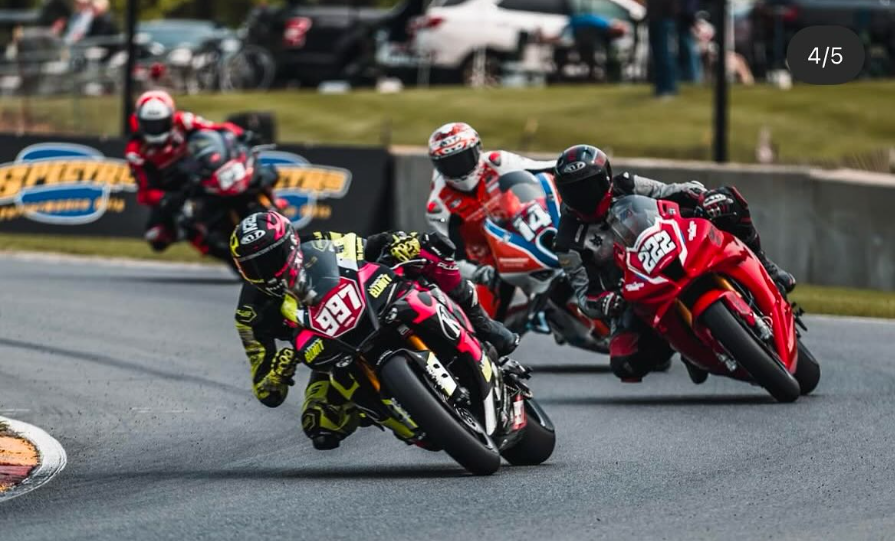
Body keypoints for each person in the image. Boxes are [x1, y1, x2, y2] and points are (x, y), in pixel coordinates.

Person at [230, 212, 519, 450]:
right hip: (330, 349)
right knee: (319, 424)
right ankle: (390, 410)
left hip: (368, 307)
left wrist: (399, 242)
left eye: (272, 257)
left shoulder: (317, 244)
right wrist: (278, 372)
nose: (266, 270)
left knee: (428, 251)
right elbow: (267, 392)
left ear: (290, 243)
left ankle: (483, 325)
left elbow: (367, 247)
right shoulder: (250, 314)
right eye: (253, 266)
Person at [551, 144, 796, 384]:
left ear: (606, 177)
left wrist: (703, 196)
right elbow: (585, 294)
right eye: (576, 191)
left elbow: (668, 191)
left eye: (590, 186)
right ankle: (689, 350)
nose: (585, 197)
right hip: (632, 291)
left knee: (730, 203)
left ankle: (768, 267)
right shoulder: (566, 240)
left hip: (672, 243)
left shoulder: (625, 184)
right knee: (625, 362)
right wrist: (605, 301)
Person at [426, 122, 556, 286]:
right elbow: (448, 255)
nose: (458, 168)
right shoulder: (438, 205)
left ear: (477, 149)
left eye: (463, 159)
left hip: (525, 233)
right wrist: (479, 273)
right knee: (485, 310)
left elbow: (543, 168)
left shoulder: (498, 162)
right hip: (487, 264)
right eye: (449, 163)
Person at [125, 90, 245, 253]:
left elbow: (215, 128)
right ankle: (209, 246)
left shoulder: (183, 121)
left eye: (159, 123)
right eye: (150, 124)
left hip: (200, 172)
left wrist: (240, 133)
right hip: (172, 188)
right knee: (157, 236)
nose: (155, 129)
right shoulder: (135, 151)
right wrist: (165, 198)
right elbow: (145, 191)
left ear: (170, 118)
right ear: (140, 122)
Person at [647, 0, 679, 97]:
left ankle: (667, 88)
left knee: (664, 54)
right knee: (660, 55)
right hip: (657, 17)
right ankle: (662, 88)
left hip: (662, 17)